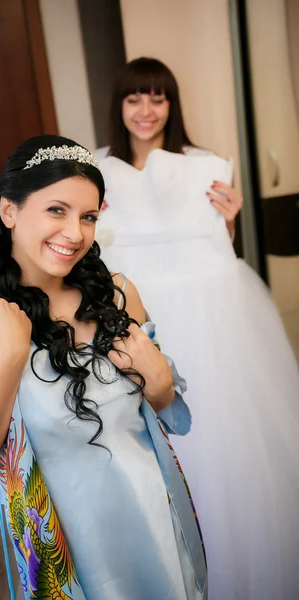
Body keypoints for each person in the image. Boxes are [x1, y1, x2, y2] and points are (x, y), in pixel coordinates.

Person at [0, 134, 208, 600]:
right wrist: (12, 360)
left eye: (89, 216)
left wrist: (159, 381)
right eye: (56, 210)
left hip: (154, 519)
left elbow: (164, 410)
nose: (75, 233)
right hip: (66, 546)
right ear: (10, 211)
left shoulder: (116, 294)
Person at [94, 57, 299, 600]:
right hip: (135, 315)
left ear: (171, 104)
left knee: (223, 431)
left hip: (211, 315)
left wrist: (225, 224)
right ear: (119, 106)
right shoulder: (96, 169)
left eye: (157, 98)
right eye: (135, 98)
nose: (146, 110)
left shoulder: (205, 165)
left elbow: (217, 251)